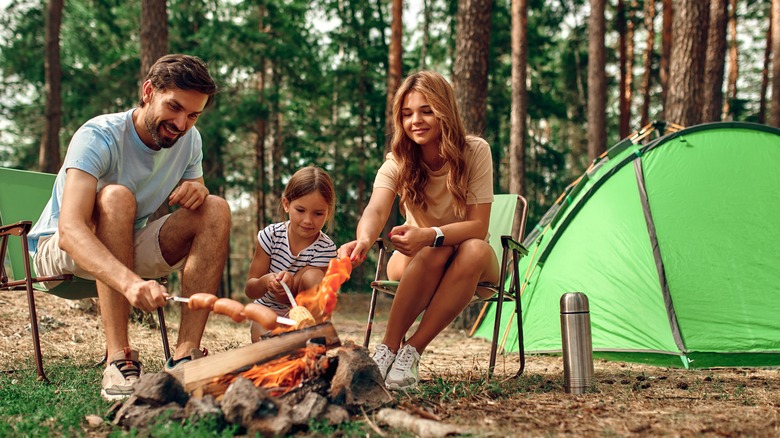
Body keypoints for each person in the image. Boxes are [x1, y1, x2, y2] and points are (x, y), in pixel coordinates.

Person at [27, 54, 231, 401]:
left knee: (215, 208)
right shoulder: (98, 136)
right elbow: (70, 230)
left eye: (193, 115)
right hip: (59, 250)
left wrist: (198, 189)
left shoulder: (190, 140)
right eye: (174, 107)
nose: (181, 124)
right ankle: (118, 359)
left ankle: (185, 356)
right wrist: (130, 282)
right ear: (148, 91)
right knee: (116, 197)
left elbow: (196, 197)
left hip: (127, 242)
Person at [337, 71, 497, 390]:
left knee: (469, 247)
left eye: (426, 110)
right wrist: (365, 239)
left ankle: (412, 350)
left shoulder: (475, 151)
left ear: (444, 110)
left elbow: (478, 227)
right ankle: (388, 348)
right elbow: (376, 208)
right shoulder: (400, 159)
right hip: (416, 260)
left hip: (471, 262)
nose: (416, 121)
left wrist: (432, 234)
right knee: (434, 250)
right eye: (407, 114)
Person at [245, 165, 337, 342]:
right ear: (286, 204)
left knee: (313, 276)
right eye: (300, 210)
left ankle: (313, 337)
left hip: (303, 315)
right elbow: (250, 289)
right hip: (268, 310)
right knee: (266, 345)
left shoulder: (326, 249)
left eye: (318, 213)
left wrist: (292, 282)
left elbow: (312, 293)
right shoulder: (270, 236)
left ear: (328, 212)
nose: (308, 220)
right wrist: (266, 281)